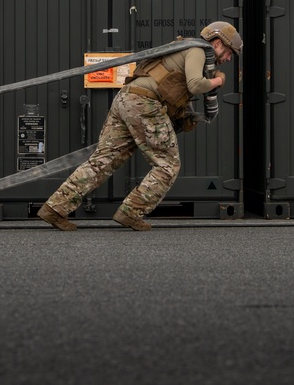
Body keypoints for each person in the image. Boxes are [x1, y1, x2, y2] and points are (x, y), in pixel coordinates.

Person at [37, 21, 243, 231]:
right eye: (229, 53)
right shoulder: (199, 50)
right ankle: (131, 212)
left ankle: (55, 208)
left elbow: (173, 87)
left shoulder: (184, 49)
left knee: (103, 160)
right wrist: (218, 81)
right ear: (217, 43)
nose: (227, 59)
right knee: (168, 165)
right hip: (144, 104)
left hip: (126, 99)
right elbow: (195, 85)